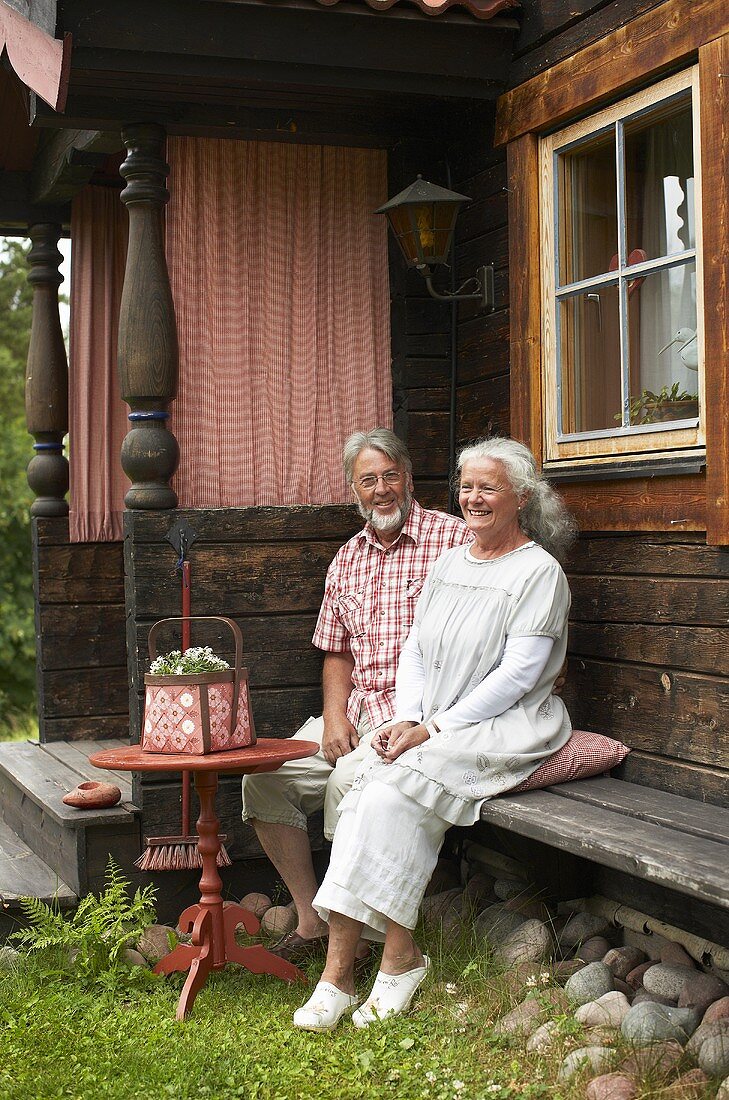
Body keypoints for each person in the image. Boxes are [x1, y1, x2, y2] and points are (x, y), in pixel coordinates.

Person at [292, 436, 577, 1032]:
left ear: (520, 497)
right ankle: (357, 968)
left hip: (505, 725)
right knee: (372, 787)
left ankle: (378, 964)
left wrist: (434, 727)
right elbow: (415, 652)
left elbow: (519, 676)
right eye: (466, 486)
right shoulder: (449, 563)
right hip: (433, 720)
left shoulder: (538, 572)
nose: (473, 498)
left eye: (488, 487)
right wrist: (406, 717)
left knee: (388, 792)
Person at [241, 428, 472, 962]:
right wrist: (332, 718)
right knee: (265, 779)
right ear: (354, 490)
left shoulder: (454, 542)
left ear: (410, 479)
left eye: (391, 476)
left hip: (414, 722)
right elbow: (336, 652)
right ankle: (311, 920)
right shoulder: (346, 559)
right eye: (369, 480)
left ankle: (362, 939)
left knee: (346, 785)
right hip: (357, 712)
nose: (382, 489)